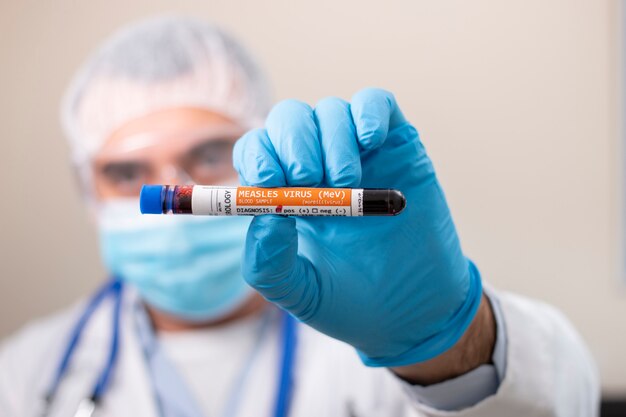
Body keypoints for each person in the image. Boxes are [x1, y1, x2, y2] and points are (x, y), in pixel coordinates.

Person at [0, 15, 599, 417]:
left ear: (261, 153)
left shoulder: (363, 336)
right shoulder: (26, 375)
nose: (172, 193)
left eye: (208, 155)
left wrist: (446, 344)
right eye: (128, 172)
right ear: (89, 189)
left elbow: (566, 398)